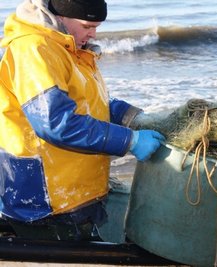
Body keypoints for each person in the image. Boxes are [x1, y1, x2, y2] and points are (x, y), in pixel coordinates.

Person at [0, 0, 165, 241]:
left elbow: (89, 102)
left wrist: (137, 119)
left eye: (96, 27)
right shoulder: (34, 49)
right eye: (88, 25)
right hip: (43, 198)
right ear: (63, 15)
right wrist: (130, 141)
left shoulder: (69, 48)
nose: (94, 33)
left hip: (73, 192)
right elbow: (56, 123)